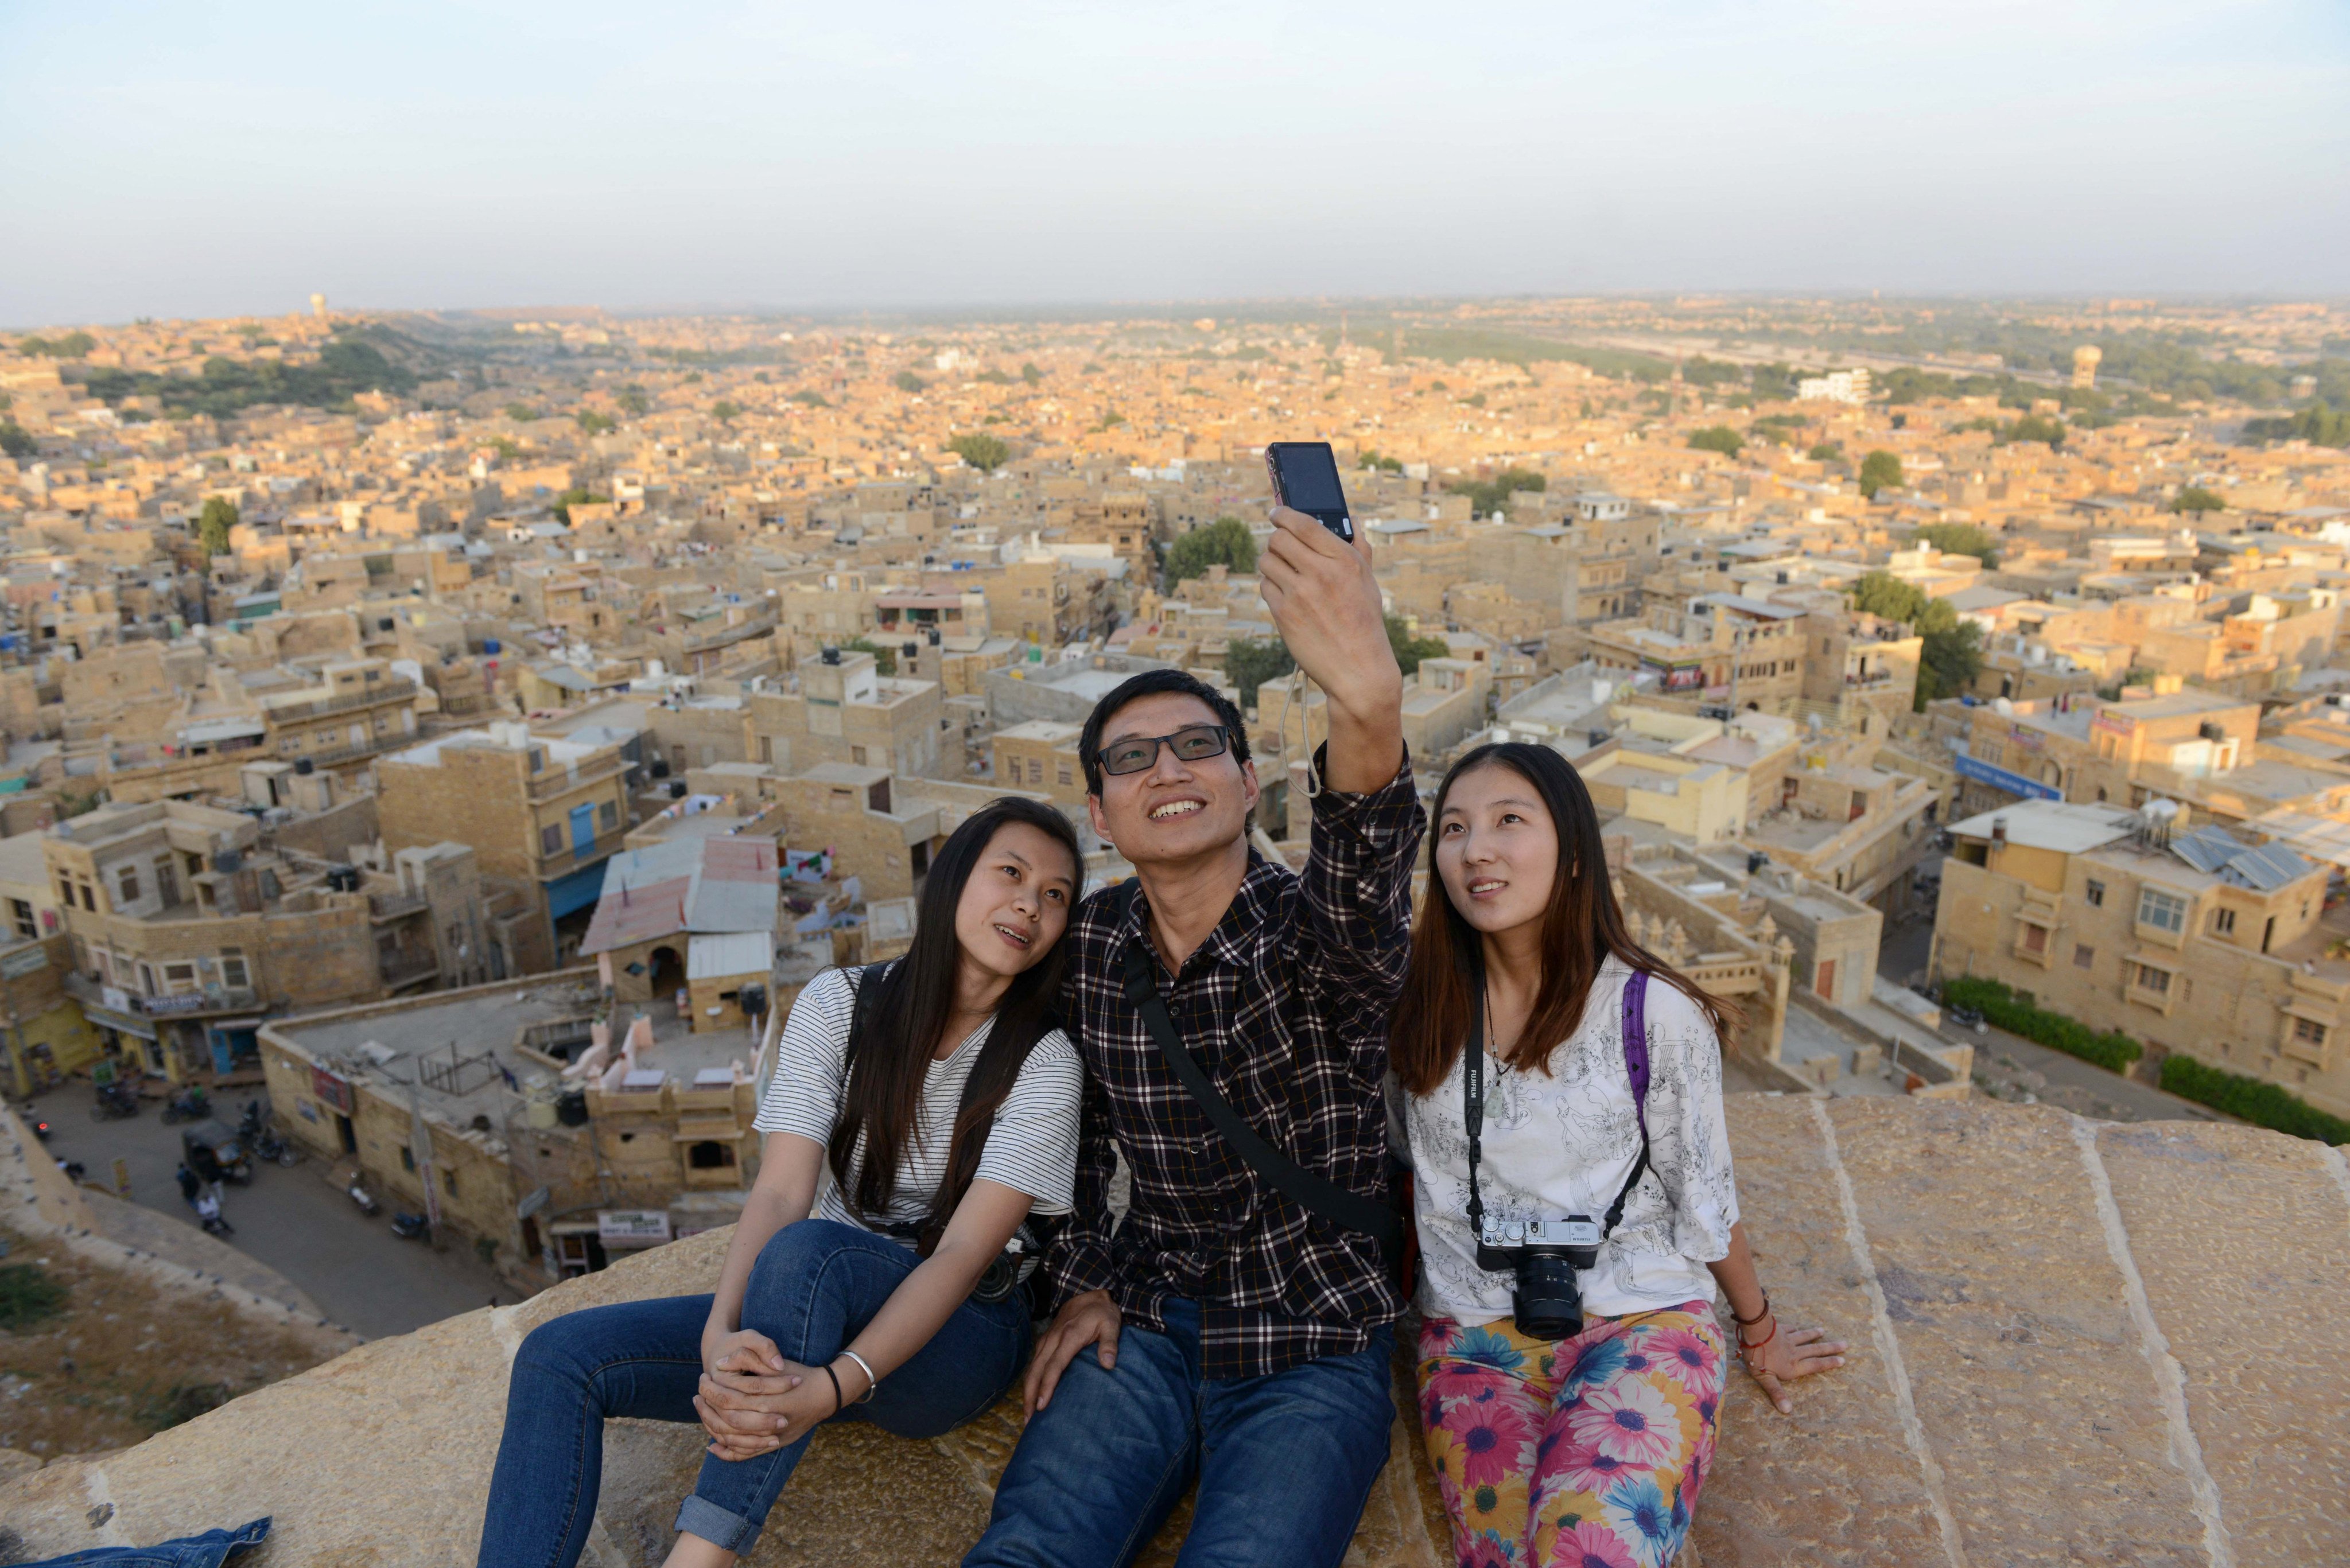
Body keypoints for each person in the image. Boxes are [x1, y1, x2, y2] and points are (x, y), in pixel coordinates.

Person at [964, 504, 1423, 1568]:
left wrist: (1369, 692)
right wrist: (1082, 1274)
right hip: (1148, 1320)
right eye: (1133, 759)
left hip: (1310, 1338)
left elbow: (1362, 857)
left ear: (1248, 780)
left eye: (1197, 745)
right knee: (1025, 1552)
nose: (1167, 768)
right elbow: (1066, 1134)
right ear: (1103, 815)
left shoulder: (1315, 937)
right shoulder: (1090, 949)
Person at [477, 799, 1086, 1568]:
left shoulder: (1043, 1061)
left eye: (1057, 894)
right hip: (803, 1318)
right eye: (1012, 872)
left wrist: (830, 1387)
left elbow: (962, 1253)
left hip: (954, 1339)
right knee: (559, 1356)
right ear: (954, 879)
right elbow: (779, 1190)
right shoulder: (840, 1005)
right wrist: (720, 1331)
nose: (1031, 902)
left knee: (808, 1254)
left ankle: (702, 1556)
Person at [1389, 742, 1846, 1568]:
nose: (1476, 848)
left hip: (1639, 1318)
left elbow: (1703, 1196)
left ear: (1572, 853)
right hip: (1475, 1333)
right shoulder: (1423, 1009)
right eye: (1453, 829)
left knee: (1585, 1548)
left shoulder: (1652, 1013)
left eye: (1509, 821)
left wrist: (1759, 1326)